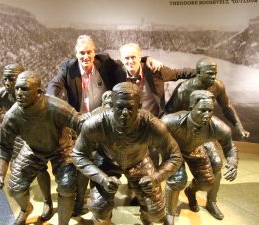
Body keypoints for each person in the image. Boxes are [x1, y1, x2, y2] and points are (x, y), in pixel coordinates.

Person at [46, 35, 162, 216]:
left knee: (110, 160)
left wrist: (146, 60)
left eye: (89, 52)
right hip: (81, 123)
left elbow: (130, 61)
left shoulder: (106, 63)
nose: (85, 57)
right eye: (81, 53)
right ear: (76, 54)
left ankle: (130, 198)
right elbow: (54, 85)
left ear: (95, 52)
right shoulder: (68, 68)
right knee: (82, 160)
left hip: (105, 124)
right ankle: (80, 201)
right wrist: (51, 102)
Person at [71, 82, 183, 225]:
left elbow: (175, 156)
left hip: (139, 161)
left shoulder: (152, 125)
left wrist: (156, 177)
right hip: (106, 161)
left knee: (156, 211)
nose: (125, 113)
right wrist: (102, 178)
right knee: (99, 209)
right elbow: (78, 154)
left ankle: (147, 218)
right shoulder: (96, 123)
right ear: (111, 105)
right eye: (119, 107)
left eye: (130, 108)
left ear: (139, 107)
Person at [0, 71, 85, 225]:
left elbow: (80, 124)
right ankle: (26, 208)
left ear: (39, 92)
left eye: (24, 89)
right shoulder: (13, 115)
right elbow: (3, 145)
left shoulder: (57, 107)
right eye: (17, 89)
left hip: (61, 149)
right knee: (15, 188)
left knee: (67, 187)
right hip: (33, 149)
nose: (19, 93)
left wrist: (83, 150)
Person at [164, 57, 249, 220]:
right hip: (181, 129)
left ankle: (210, 200)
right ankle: (169, 211)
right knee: (178, 178)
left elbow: (227, 107)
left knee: (216, 164)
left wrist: (239, 127)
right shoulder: (184, 90)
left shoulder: (217, 86)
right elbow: (168, 113)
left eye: (215, 73)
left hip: (203, 131)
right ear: (198, 73)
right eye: (209, 74)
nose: (213, 77)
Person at [0, 64, 53, 221]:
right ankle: (25, 207)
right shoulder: (1, 95)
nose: (8, 83)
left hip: (34, 136)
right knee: (17, 173)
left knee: (41, 169)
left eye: (12, 79)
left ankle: (47, 200)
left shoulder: (33, 94)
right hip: (14, 137)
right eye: (5, 79)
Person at [161, 90, 239, 225]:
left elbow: (230, 147)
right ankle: (169, 213)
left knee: (208, 180)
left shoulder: (218, 127)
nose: (207, 115)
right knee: (178, 179)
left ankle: (194, 194)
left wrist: (233, 162)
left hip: (196, 147)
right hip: (175, 149)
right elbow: (154, 137)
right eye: (202, 110)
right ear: (191, 108)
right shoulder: (170, 121)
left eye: (210, 110)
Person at [116, 43, 196, 118]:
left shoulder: (154, 70)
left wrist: (201, 71)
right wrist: (147, 58)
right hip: (129, 123)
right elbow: (104, 59)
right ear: (122, 60)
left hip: (153, 121)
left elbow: (178, 73)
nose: (130, 61)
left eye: (133, 57)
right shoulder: (117, 74)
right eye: (126, 58)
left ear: (140, 58)